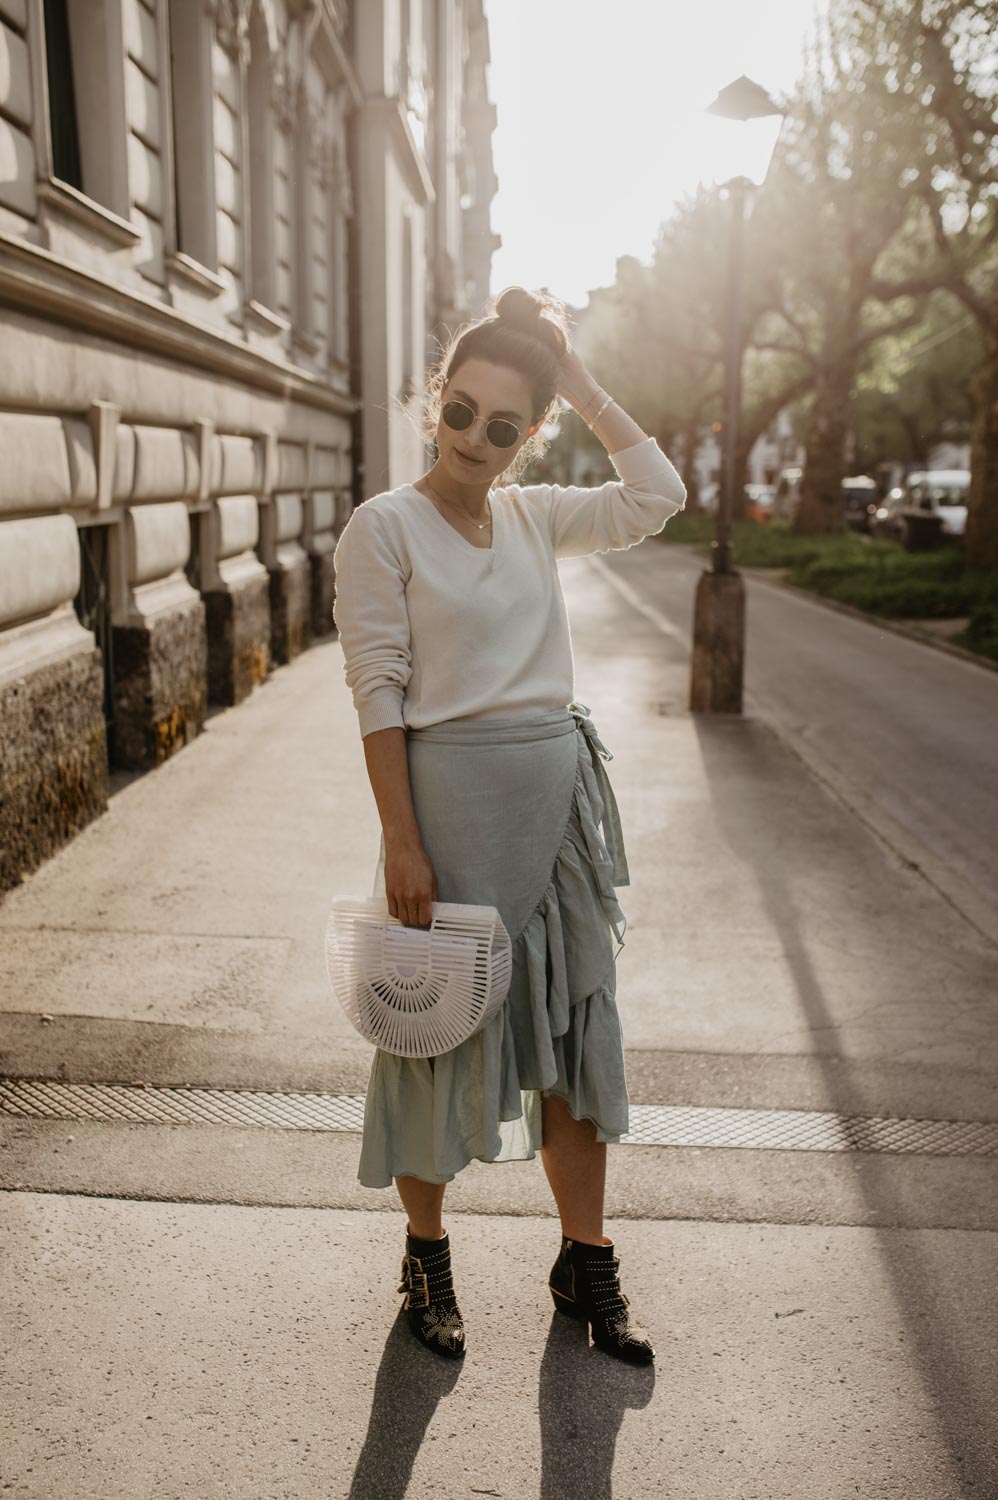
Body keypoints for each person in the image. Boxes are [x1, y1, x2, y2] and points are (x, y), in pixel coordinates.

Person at [332, 286, 687, 1366]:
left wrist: (574, 380)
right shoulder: (382, 527)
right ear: (433, 402)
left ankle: (585, 1261)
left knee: (576, 1034)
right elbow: (379, 690)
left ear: (528, 435)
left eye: (502, 426)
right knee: (435, 1031)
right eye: (458, 412)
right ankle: (426, 1261)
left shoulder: (535, 516)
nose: (473, 441)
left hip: (556, 812)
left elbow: (657, 493)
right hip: (448, 814)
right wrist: (401, 839)